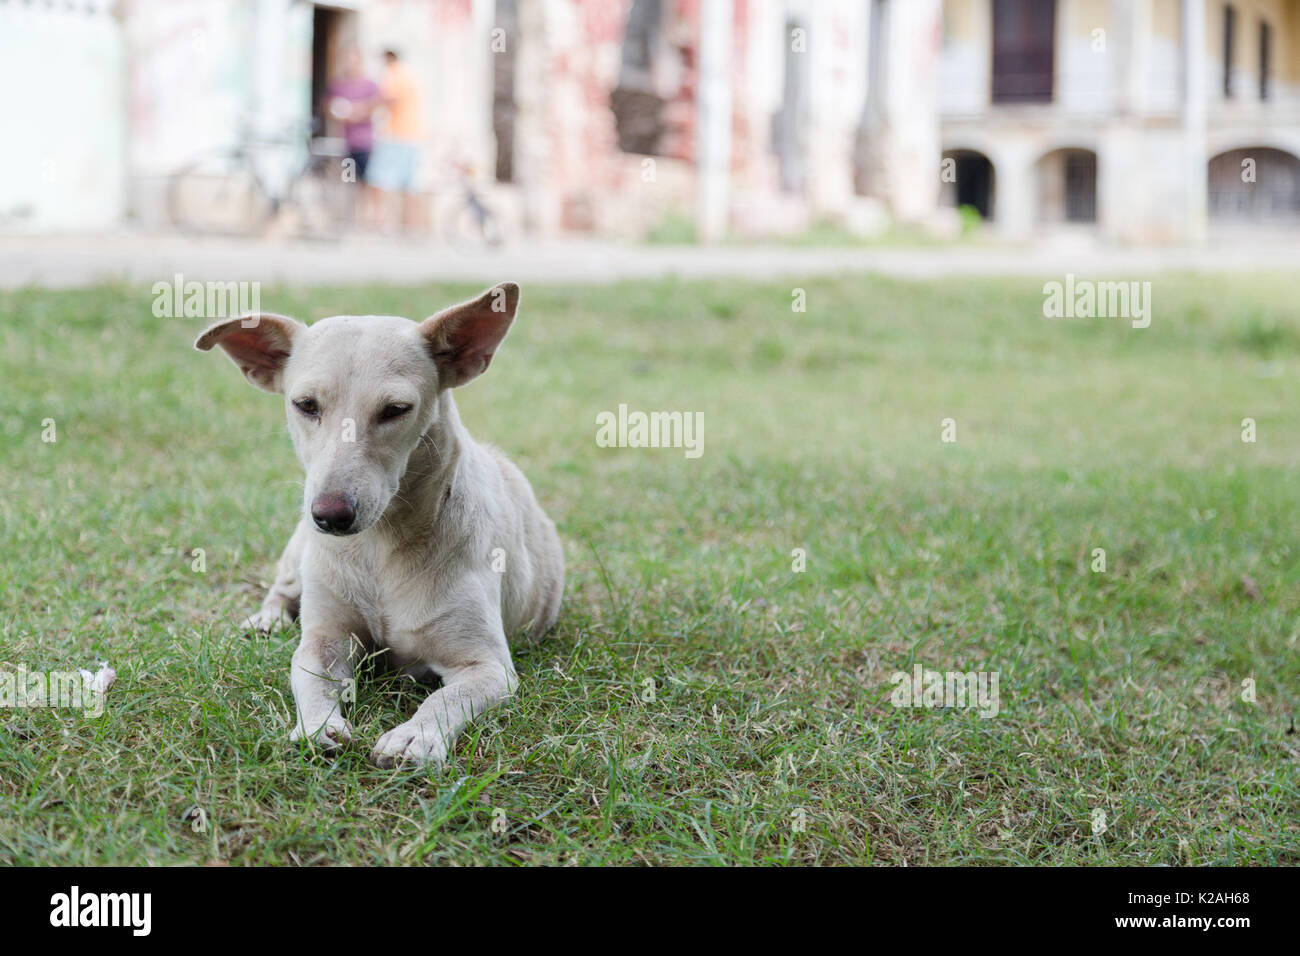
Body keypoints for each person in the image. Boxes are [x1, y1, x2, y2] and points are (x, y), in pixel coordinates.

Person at [367, 49, 425, 233]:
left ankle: (381, 223)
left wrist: (360, 110)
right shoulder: (410, 74)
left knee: (379, 179)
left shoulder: (396, 74)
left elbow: (389, 99)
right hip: (413, 135)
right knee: (410, 185)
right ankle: (412, 227)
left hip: (397, 135)